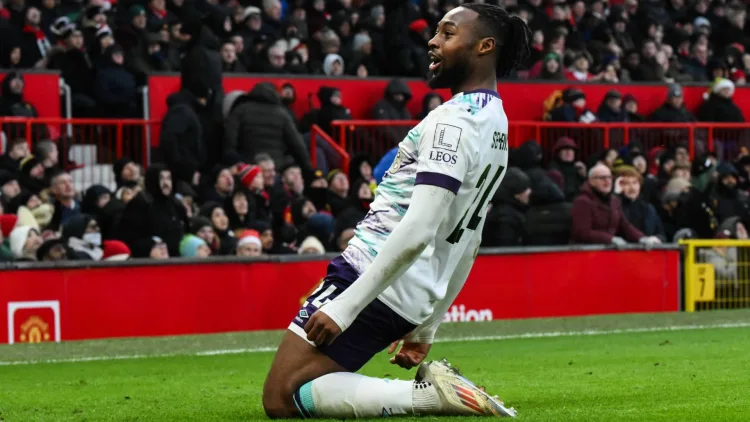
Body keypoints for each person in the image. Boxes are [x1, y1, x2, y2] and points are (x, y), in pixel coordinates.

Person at [263, 4, 529, 419]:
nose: (433, 41)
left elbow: (420, 227)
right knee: (302, 390)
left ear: (484, 46)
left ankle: (429, 397)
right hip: (410, 291)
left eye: (447, 33)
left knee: (281, 397)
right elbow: (469, 239)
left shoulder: (453, 122)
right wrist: (428, 324)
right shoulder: (497, 124)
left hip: (372, 275)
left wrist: (345, 305)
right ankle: (433, 393)